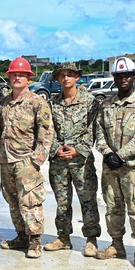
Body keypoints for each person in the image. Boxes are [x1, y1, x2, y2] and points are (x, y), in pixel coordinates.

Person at [94, 57, 135, 267]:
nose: (123, 79)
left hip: (133, 166)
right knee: (112, 206)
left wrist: (121, 155)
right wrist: (108, 153)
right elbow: (98, 132)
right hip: (110, 166)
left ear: (134, 77)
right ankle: (116, 244)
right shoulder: (107, 104)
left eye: (127, 75)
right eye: (119, 76)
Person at [0, 56, 54, 258]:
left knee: (30, 201)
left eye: (22, 75)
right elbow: (0, 130)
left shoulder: (37, 102)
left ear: (28, 78)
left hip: (25, 161)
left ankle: (35, 241)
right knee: (12, 200)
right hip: (6, 160)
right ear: (9, 77)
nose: (17, 78)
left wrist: (36, 160)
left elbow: (46, 133)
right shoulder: (4, 103)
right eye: (14, 74)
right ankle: (21, 236)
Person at [44, 62, 101, 256]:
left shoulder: (90, 101)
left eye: (70, 74)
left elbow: (94, 129)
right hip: (59, 161)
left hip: (81, 161)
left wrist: (78, 149)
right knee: (62, 202)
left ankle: (91, 239)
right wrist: (55, 148)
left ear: (77, 77)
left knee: (87, 200)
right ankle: (63, 237)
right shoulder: (52, 103)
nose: (66, 78)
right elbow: (47, 130)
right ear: (58, 78)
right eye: (62, 75)